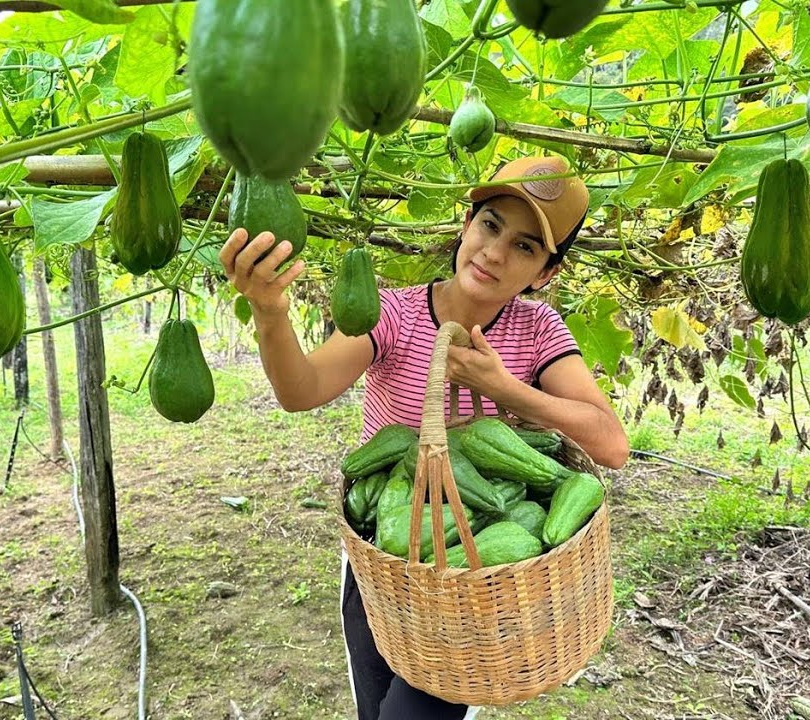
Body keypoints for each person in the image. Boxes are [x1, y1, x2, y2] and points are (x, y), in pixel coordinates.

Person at [220, 155, 630, 720]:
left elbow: (612, 445)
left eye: (526, 246)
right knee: (374, 708)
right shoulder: (394, 313)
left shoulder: (538, 332)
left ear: (545, 274)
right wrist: (270, 312)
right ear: (467, 224)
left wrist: (504, 388)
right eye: (490, 225)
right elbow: (302, 389)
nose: (493, 252)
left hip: (471, 583)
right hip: (382, 566)